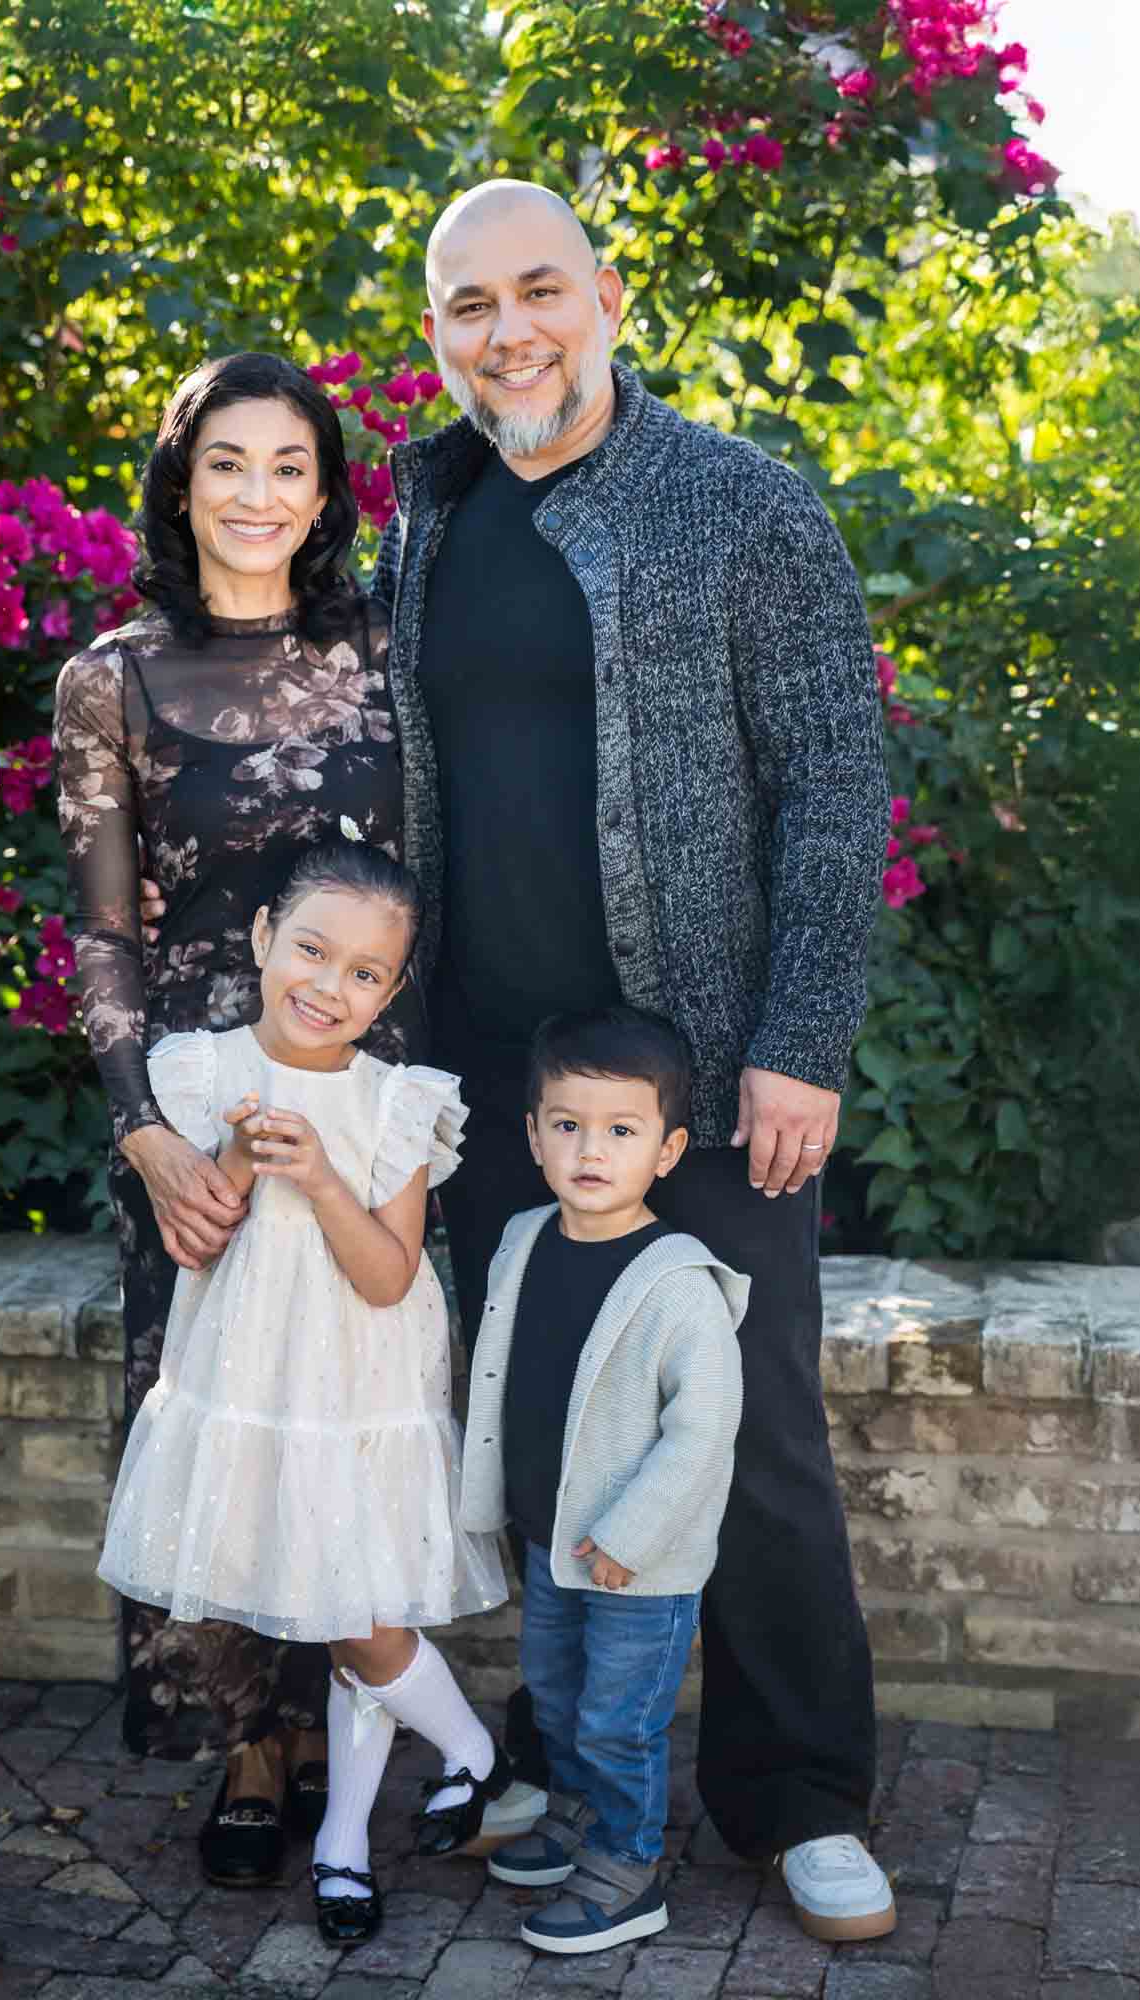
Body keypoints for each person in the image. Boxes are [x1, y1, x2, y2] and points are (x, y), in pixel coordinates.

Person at [375, 180, 897, 1940]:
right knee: (534, 1434)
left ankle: (801, 1793)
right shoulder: (428, 511)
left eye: (537, 291)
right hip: (494, 1087)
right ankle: (570, 1765)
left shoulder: (740, 505)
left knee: (747, 1442)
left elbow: (834, 783)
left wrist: (798, 1044)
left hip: (695, 1090)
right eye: (467, 305)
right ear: (434, 331)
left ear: (607, 296)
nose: (506, 331)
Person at [53, 351, 423, 1889]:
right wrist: (143, 1133)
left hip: (366, 1099)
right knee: (213, 1420)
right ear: (180, 480)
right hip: (199, 1115)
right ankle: (252, 1748)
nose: (258, 494)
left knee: (347, 1408)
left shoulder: (391, 655)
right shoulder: (112, 681)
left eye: (290, 465)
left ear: (327, 493)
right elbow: (100, 940)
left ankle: (362, 1719)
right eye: (227, 462)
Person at [96, 841, 510, 1948]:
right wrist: (231, 1155)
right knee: (342, 1624)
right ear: (263, 938)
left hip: (361, 1391)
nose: (331, 987)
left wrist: (324, 1174)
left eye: (367, 972)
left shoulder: (398, 1102)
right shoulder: (193, 1071)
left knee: (364, 1621)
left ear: (390, 987)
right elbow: (198, 1248)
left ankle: (478, 1761)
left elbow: (387, 1277)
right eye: (313, 950)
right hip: (254, 1387)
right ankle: (348, 1845)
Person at [460, 1006, 748, 1955]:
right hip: (550, 1536)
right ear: (534, 1132)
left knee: (619, 1720)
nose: (591, 1149)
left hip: (638, 1563)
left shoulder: (677, 1285)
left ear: (665, 1151)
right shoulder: (522, 1240)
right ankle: (577, 1819)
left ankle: (628, 1866)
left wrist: (632, 1536)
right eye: (568, 1124)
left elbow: (703, 1432)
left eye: (620, 1130)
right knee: (553, 1693)